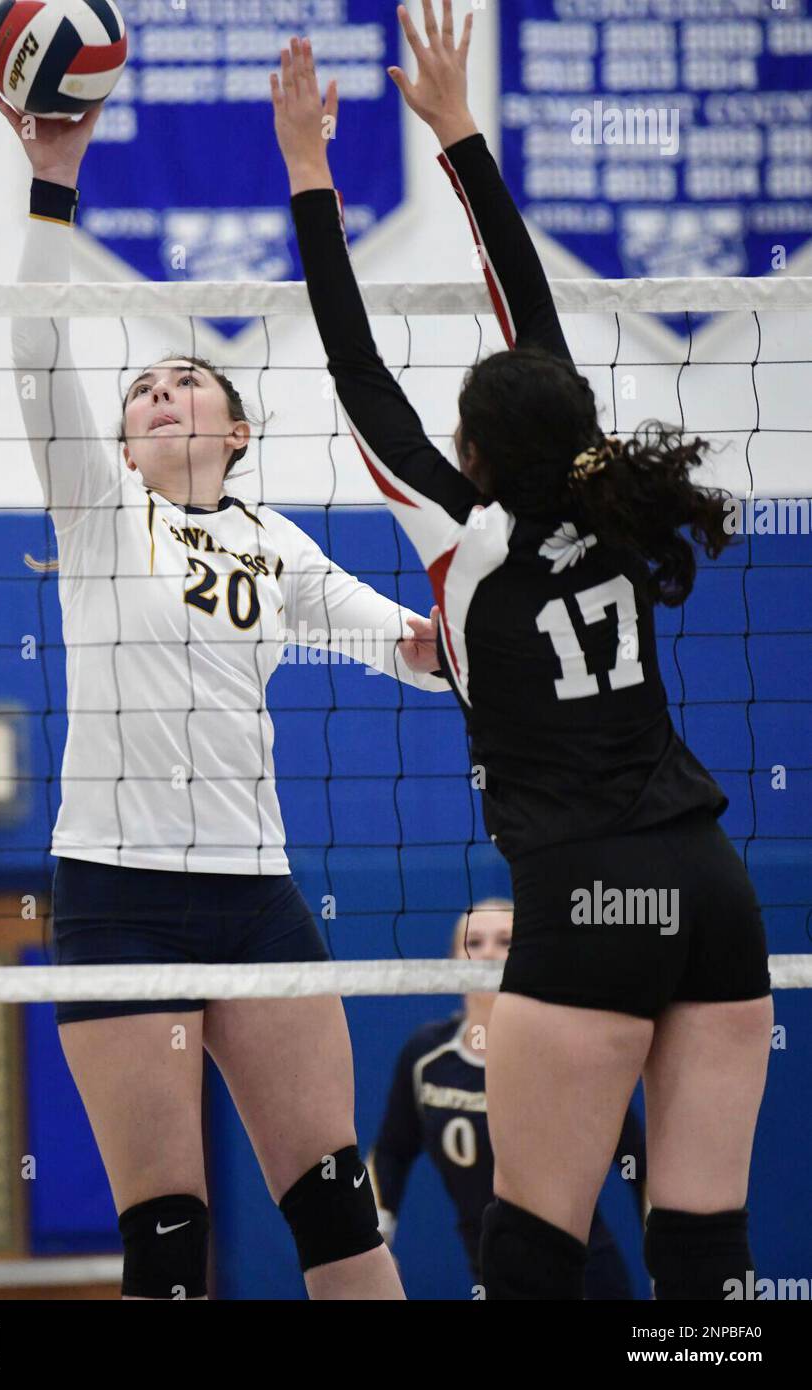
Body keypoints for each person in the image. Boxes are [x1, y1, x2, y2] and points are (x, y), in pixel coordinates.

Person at [271, 1, 773, 1300]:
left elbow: (353, 368)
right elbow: (527, 307)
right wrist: (457, 132)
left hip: (587, 896)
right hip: (711, 885)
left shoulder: (459, 541)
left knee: (531, 1251)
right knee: (700, 1251)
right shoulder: (609, 494)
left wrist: (311, 180)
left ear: (475, 454)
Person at [0, 86, 450, 1301]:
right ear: (127, 443)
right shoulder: (98, 511)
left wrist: (491, 624)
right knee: (170, 1238)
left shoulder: (279, 543)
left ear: (236, 430)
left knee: (339, 1212)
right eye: (140, 392)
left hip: (257, 898)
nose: (154, 394)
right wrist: (54, 178)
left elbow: (406, 642)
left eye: (183, 383)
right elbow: (34, 346)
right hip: (118, 898)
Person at [369, 900, 647, 1298]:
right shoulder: (426, 1058)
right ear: (450, 962)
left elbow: (639, 1163)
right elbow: (391, 1153)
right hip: (493, 1279)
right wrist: (373, 1241)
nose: (487, 953)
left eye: (505, 942)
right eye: (474, 942)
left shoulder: (568, 1056)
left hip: (585, 1280)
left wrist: (666, 1267)